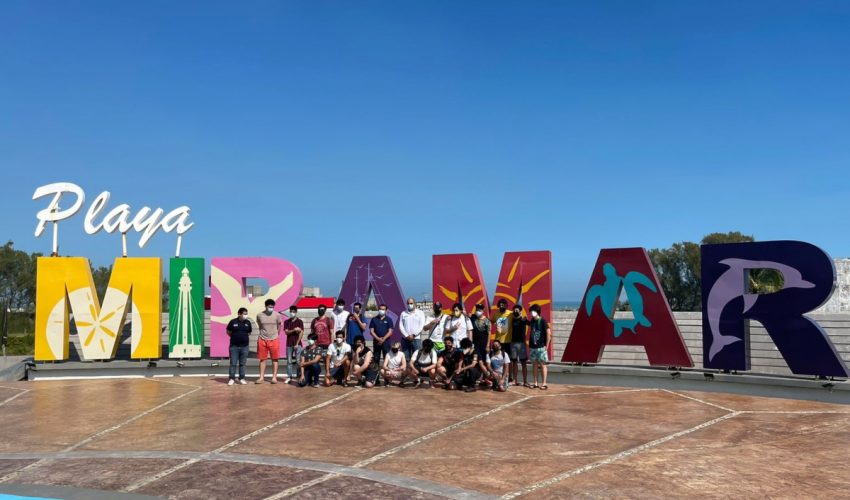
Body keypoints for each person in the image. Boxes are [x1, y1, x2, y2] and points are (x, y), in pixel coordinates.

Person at [256, 299, 282, 384]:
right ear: (266, 306)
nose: (271, 308)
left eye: (272, 307)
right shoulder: (259, 315)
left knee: (275, 359)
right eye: (269, 307)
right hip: (262, 339)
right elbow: (260, 325)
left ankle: (274, 377)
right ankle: (261, 377)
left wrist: (276, 335)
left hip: (274, 339)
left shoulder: (277, 315)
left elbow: (279, 326)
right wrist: (264, 334)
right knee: (262, 359)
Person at [528, 304, 552, 390]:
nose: (531, 313)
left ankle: (544, 383)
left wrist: (547, 345)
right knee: (534, 365)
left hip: (541, 347)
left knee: (543, 365)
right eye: (531, 311)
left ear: (537, 312)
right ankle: (535, 383)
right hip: (533, 347)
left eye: (533, 311)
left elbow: (548, 333)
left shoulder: (542, 321)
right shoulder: (532, 320)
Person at [225, 307, 251, 385]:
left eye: (246, 314)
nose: (246, 315)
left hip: (245, 347)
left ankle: (241, 378)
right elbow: (228, 332)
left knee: (242, 363)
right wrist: (235, 337)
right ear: (239, 314)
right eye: (244, 314)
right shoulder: (233, 322)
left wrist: (243, 338)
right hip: (234, 347)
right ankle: (231, 378)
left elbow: (249, 332)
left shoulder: (248, 322)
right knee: (233, 363)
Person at [509, 304, 530, 387]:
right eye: (514, 310)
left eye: (517, 310)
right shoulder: (512, 320)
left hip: (522, 344)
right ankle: (515, 380)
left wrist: (524, 319)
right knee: (514, 362)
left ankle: (525, 381)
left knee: (523, 363)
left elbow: (530, 324)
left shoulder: (523, 319)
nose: (515, 311)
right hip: (513, 343)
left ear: (520, 311)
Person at [283, 305, 304, 384]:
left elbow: (301, 333)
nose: (292, 313)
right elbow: (286, 332)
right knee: (289, 361)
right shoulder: (286, 322)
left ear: (296, 312)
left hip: (298, 345)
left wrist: (297, 343)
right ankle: (289, 377)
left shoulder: (300, 321)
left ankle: (299, 376)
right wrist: (294, 330)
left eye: (293, 312)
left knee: (298, 361)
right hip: (289, 344)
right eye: (291, 311)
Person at [369, 304, 394, 370]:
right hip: (376, 342)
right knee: (376, 358)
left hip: (386, 342)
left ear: (386, 310)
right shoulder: (374, 319)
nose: (381, 310)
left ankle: (386, 375)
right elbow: (371, 331)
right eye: (380, 309)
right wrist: (378, 339)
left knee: (387, 358)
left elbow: (390, 331)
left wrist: (383, 339)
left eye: (383, 309)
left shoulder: (389, 319)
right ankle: (376, 374)